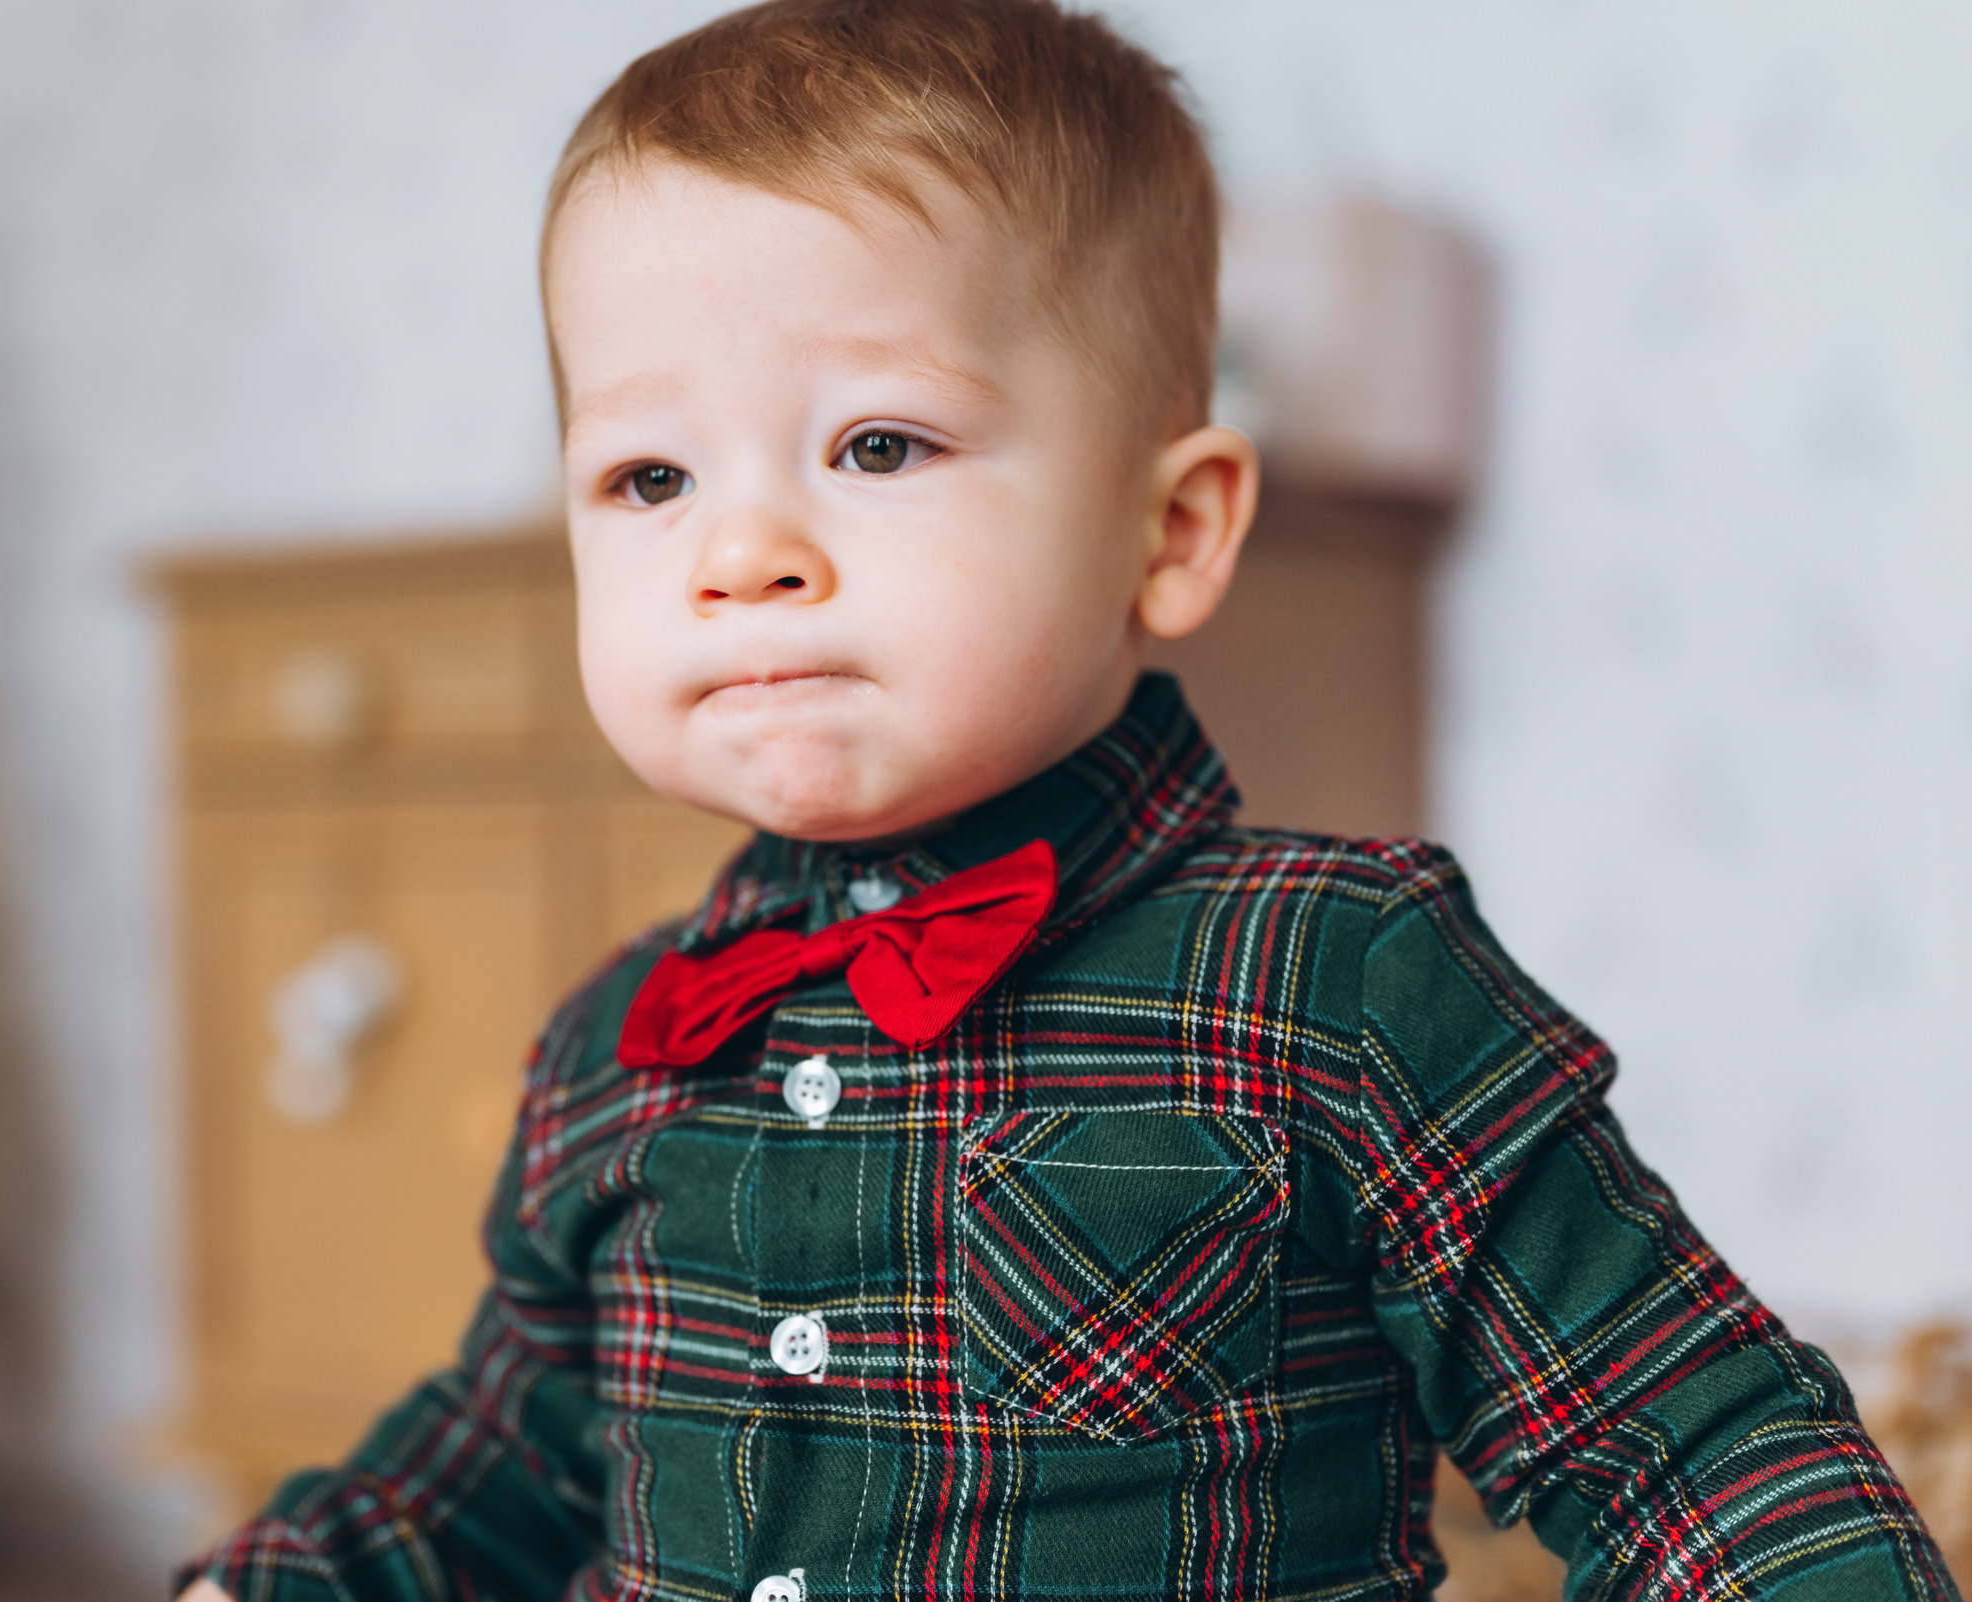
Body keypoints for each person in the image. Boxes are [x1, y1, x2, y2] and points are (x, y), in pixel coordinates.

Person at [179, 2, 1958, 1597]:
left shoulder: (1340, 972)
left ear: (1169, 529)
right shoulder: (617, 1043)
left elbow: (1681, 1444)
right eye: (650, 477)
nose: (740, 552)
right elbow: (504, 1462)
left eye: (878, 444)